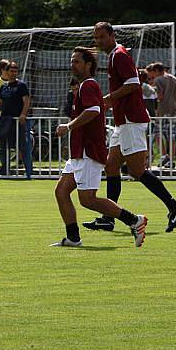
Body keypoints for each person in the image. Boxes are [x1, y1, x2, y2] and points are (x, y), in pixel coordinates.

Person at [84, 22, 176, 233]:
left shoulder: (119, 54)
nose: (99, 41)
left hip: (131, 120)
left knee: (137, 170)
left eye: (102, 36)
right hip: (124, 122)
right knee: (111, 167)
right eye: (96, 38)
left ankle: (174, 206)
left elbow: (133, 84)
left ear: (112, 35)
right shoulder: (115, 55)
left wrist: (108, 99)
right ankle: (108, 218)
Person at [53, 47, 148, 248]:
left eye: (77, 61)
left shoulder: (88, 85)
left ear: (88, 65)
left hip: (88, 151)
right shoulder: (82, 85)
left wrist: (68, 126)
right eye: (72, 61)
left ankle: (134, 220)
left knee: (88, 199)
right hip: (79, 151)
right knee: (61, 191)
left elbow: (94, 110)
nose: (73, 65)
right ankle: (73, 238)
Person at [0, 60, 32, 178]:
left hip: (18, 121)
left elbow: (26, 101)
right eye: (11, 71)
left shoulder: (21, 85)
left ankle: (29, 172)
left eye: (15, 71)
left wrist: (23, 114)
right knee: (4, 147)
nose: (14, 73)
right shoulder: (3, 87)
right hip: (6, 121)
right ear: (6, 72)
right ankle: (4, 171)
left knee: (22, 147)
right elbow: (0, 103)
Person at [146, 62, 176, 167]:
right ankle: (171, 159)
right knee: (172, 136)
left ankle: (164, 156)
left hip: (162, 111)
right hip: (173, 111)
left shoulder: (158, 80)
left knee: (158, 134)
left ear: (157, 71)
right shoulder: (174, 78)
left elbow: (160, 96)